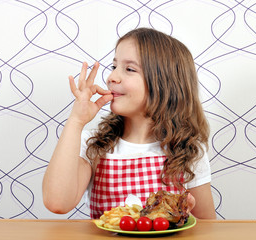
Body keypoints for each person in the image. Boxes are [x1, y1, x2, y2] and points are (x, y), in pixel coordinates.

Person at [42, 28, 216, 219]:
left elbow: (206, 226)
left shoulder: (189, 150)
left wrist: (184, 214)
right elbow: (57, 203)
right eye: (114, 66)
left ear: (165, 84)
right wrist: (76, 121)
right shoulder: (95, 145)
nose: (112, 77)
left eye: (129, 69)